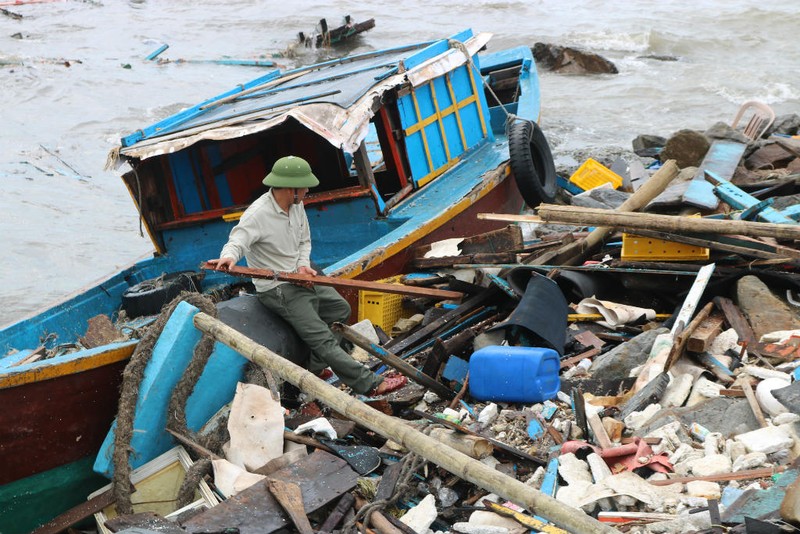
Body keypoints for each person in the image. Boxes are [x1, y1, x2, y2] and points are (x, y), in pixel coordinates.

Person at [207, 155, 407, 397]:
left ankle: (314, 367)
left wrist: (302, 265)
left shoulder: (296, 205)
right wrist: (228, 257)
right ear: (290, 189)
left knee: (339, 310)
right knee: (323, 339)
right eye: (304, 188)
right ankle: (371, 384)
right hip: (277, 287)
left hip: (299, 275)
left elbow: (304, 241)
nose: (307, 192)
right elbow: (237, 241)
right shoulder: (257, 214)